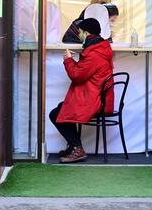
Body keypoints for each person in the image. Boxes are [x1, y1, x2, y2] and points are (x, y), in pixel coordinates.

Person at [49, 18, 114, 163]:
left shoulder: (94, 53)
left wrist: (68, 59)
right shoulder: (100, 48)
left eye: (80, 32)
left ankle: (77, 149)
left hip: (95, 101)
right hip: (97, 97)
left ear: (86, 33)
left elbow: (76, 76)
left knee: (55, 114)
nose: (79, 36)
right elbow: (84, 71)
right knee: (61, 108)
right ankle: (74, 146)